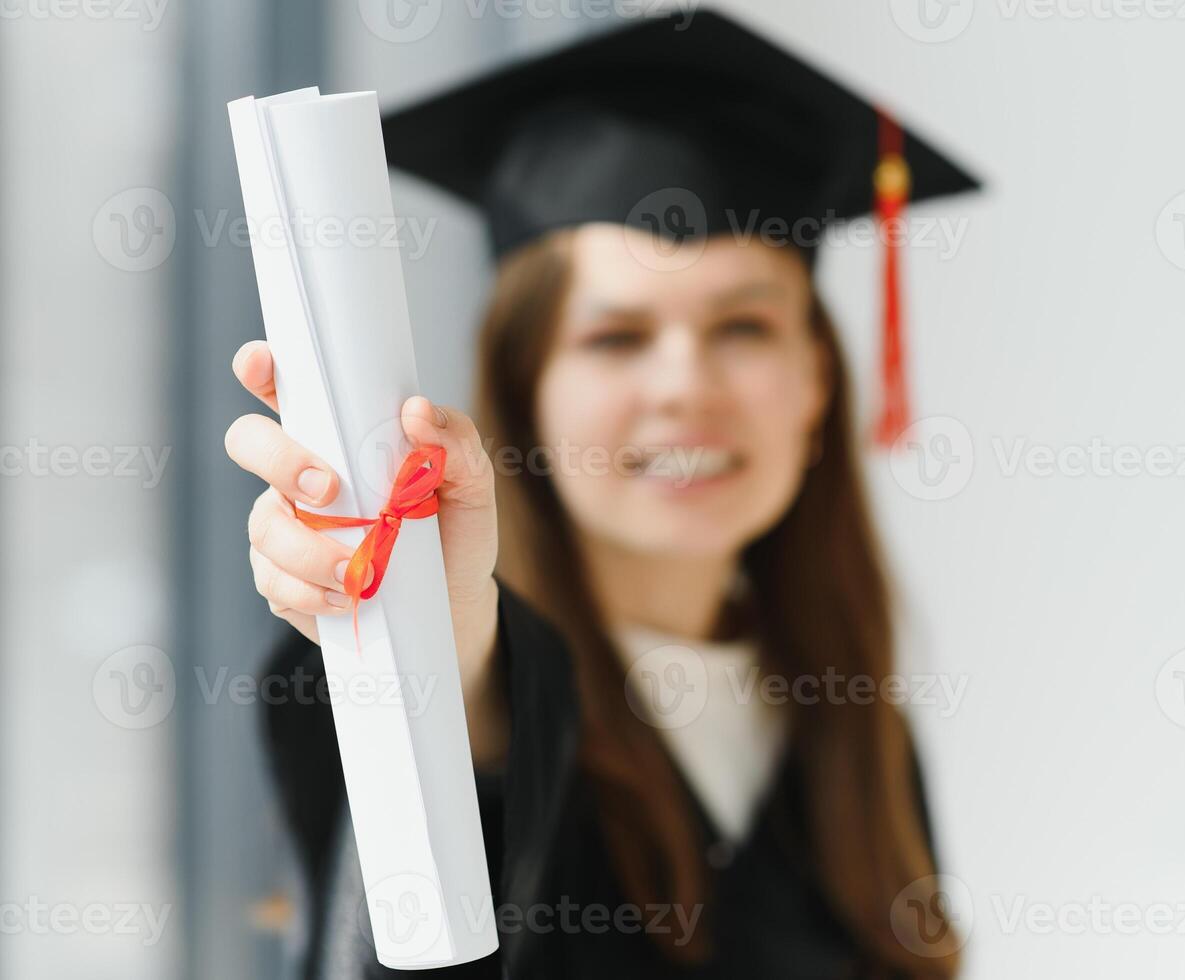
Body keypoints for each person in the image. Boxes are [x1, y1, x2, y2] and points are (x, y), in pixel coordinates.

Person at [224, 10, 981, 978]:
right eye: (614, 337)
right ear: (522, 390)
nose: (684, 385)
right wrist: (431, 636)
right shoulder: (479, 693)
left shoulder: (856, 735)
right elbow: (481, 730)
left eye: (744, 326)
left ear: (817, 383)